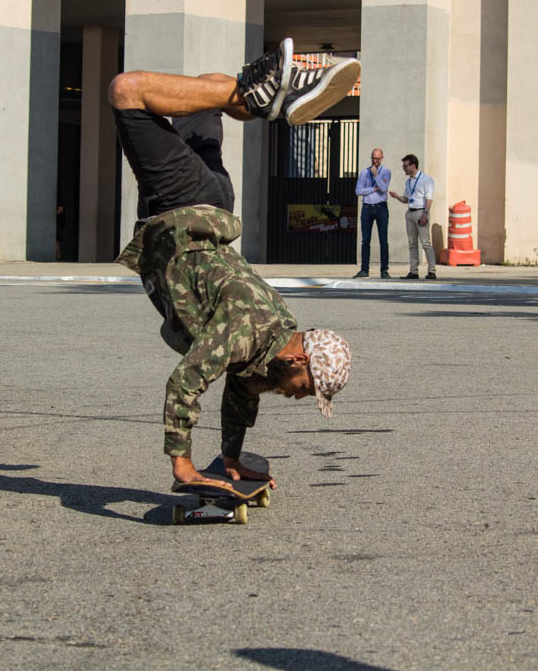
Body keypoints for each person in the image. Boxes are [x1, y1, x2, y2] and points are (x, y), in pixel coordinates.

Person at [109, 37, 356, 487]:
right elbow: (186, 381)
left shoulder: (274, 328)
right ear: (300, 360)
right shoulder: (246, 333)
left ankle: (257, 93)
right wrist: (182, 464)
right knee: (128, 90)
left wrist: (231, 457)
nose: (298, 397)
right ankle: (271, 92)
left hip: (217, 203)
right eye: (306, 388)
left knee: (199, 95)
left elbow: (243, 388)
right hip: (183, 205)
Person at [388, 154, 436, 279]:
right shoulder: (408, 182)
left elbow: (429, 199)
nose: (404, 168)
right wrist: (397, 196)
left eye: (405, 166)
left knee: (425, 243)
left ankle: (432, 271)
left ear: (413, 165)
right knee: (412, 243)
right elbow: (406, 199)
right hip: (410, 213)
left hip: (421, 212)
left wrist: (425, 214)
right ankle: (413, 271)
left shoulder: (426, 179)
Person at [353, 148, 391, 278]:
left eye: (378, 159)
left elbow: (384, 188)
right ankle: (364, 269)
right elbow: (358, 191)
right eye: (373, 158)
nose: (375, 161)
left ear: (382, 158)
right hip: (367, 207)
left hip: (381, 207)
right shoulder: (364, 173)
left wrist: (376, 175)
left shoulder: (386, 172)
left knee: (383, 240)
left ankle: (384, 270)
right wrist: (373, 188)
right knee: (365, 240)